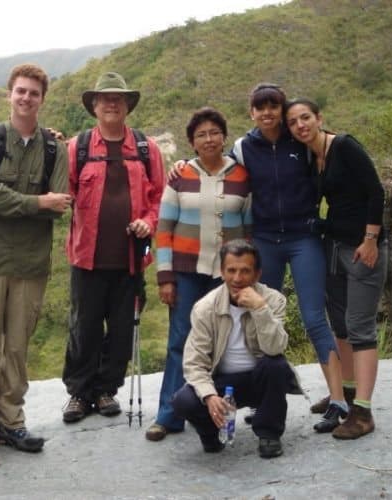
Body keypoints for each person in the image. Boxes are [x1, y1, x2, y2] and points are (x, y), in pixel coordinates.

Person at [170, 83, 346, 433]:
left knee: (314, 318)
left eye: (273, 106)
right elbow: (218, 167)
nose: (267, 113)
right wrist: (183, 165)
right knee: (256, 314)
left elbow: (331, 152)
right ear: (250, 112)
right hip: (264, 240)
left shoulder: (301, 139)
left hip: (302, 237)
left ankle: (338, 399)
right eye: (259, 107)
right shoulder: (243, 147)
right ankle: (266, 401)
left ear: (282, 109)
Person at [0, 63, 70, 459]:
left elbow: (59, 205)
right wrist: (35, 202)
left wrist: (24, 204)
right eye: (20, 91)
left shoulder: (53, 148)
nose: (26, 98)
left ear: (43, 98)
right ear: (9, 94)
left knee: (18, 346)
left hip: (30, 262)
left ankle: (12, 421)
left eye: (34, 93)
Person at [62, 72, 165, 423]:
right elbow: (64, 192)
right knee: (84, 328)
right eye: (104, 98)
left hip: (131, 259)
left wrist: (148, 223)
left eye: (117, 98)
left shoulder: (145, 148)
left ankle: (106, 390)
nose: (111, 103)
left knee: (121, 330)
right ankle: (79, 393)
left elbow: (159, 198)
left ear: (127, 105)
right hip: (86, 257)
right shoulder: (78, 148)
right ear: (94, 106)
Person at [145, 108, 252, 441]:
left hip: (226, 275)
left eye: (215, 132)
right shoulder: (180, 176)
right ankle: (170, 415)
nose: (209, 139)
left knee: (222, 343)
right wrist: (165, 277)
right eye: (201, 134)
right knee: (181, 340)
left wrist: (245, 275)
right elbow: (164, 228)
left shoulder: (241, 176)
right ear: (192, 141)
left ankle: (213, 414)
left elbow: (248, 231)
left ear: (224, 136)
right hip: (187, 271)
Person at [285, 98, 387, 439]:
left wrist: (371, 238)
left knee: (360, 327)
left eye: (305, 118)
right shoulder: (311, 158)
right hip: (333, 247)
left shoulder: (344, 146)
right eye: (293, 122)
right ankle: (343, 392)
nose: (301, 125)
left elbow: (375, 191)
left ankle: (364, 411)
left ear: (319, 118)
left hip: (362, 249)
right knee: (340, 325)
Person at [172, 239, 300, 458]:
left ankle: (269, 433)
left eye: (245, 271)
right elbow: (194, 364)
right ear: (222, 271)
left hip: (260, 378)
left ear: (257, 274)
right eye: (231, 270)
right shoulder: (205, 307)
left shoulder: (273, 300)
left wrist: (260, 308)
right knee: (183, 400)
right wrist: (210, 395)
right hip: (222, 384)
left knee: (276, 365)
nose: (237, 279)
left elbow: (275, 347)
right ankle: (210, 433)